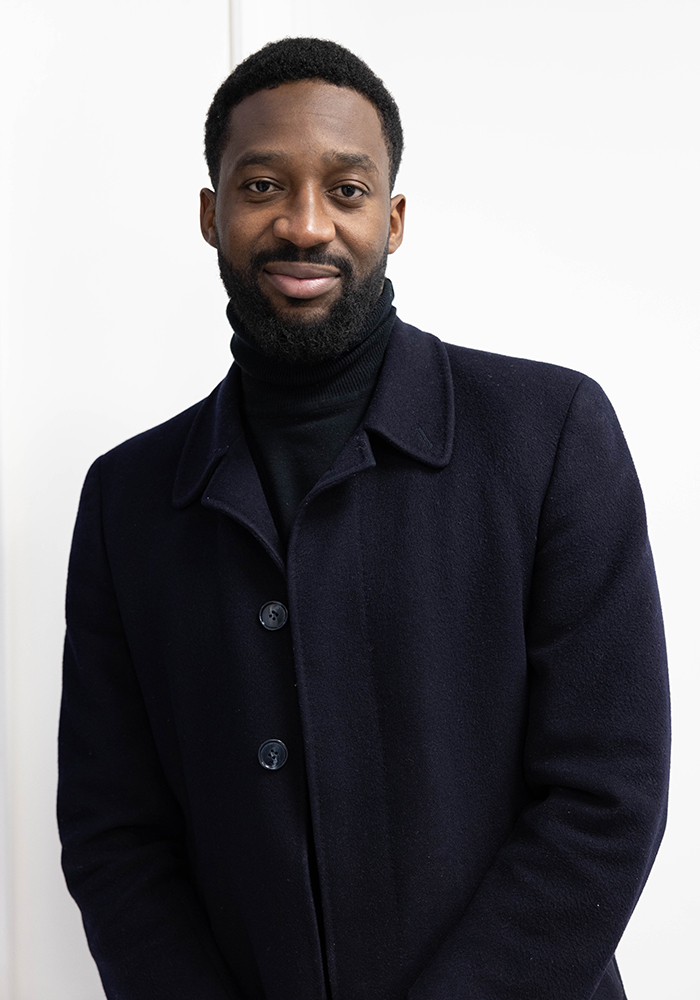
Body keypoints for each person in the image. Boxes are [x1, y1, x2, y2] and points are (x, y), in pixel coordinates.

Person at [57, 37, 670, 1000]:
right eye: (263, 186)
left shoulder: (552, 433)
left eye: (346, 191)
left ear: (392, 218)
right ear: (212, 215)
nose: (305, 225)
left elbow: (608, 795)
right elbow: (113, 835)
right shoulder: (126, 498)